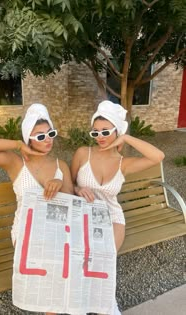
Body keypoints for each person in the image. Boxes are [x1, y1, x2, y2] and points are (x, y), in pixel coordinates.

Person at [0, 103, 74, 315]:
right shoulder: (16, 163)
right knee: (55, 271)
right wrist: (17, 144)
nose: (47, 139)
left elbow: (71, 207)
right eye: (39, 136)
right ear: (28, 138)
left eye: (50, 133)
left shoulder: (60, 166)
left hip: (56, 230)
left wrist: (59, 186)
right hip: (27, 232)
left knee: (60, 265)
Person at [71, 100, 165, 314]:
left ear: (117, 130)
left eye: (106, 131)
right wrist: (77, 189)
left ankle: (107, 304)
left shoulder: (124, 163)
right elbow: (70, 182)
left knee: (105, 255)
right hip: (83, 215)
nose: (100, 137)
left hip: (111, 217)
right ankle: (81, 301)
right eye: (95, 133)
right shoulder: (82, 153)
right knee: (82, 256)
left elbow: (158, 156)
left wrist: (126, 137)